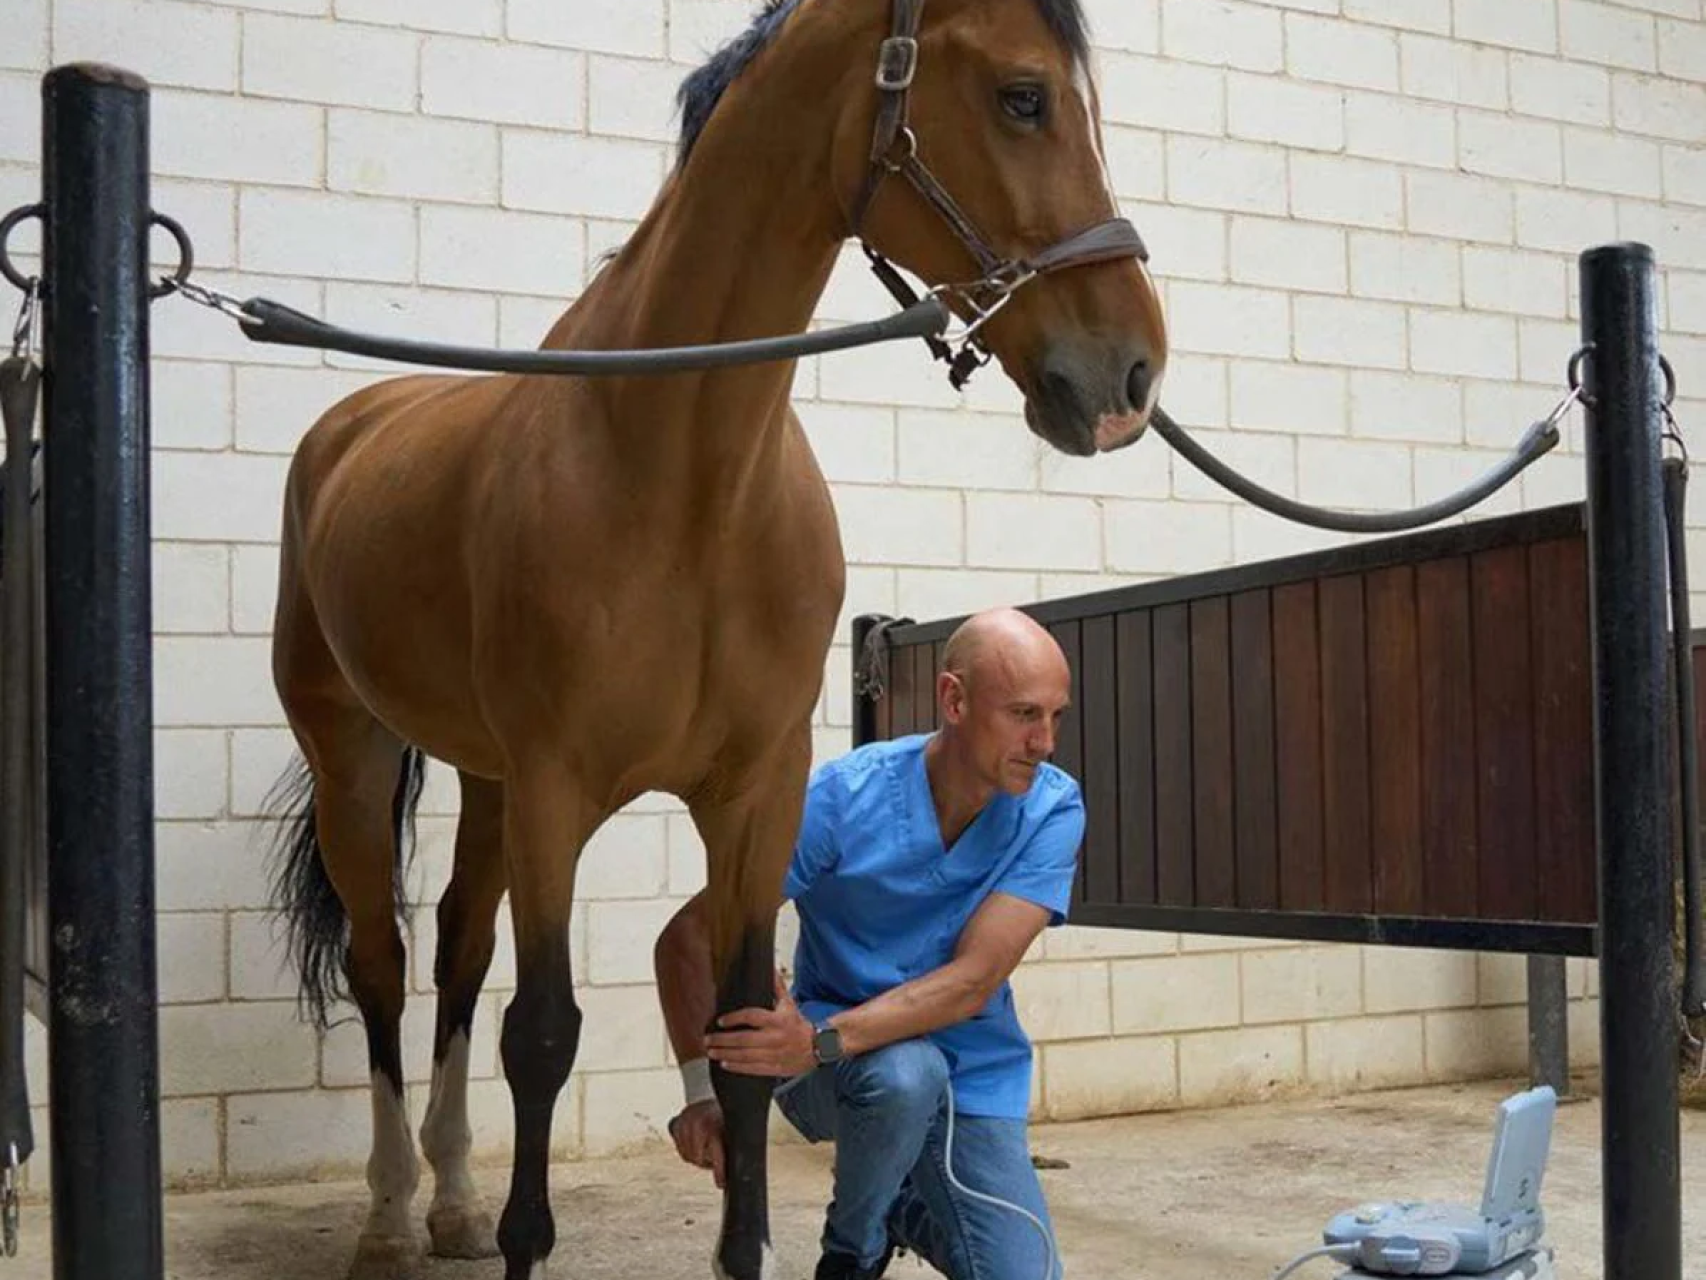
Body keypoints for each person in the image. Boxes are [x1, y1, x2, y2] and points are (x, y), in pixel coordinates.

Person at [653, 606, 1086, 1280]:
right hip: (835, 1070)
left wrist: (818, 1040)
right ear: (955, 698)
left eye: (1057, 716)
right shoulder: (840, 798)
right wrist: (702, 1094)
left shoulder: (1052, 809)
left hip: (966, 1077)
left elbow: (973, 981)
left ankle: (896, 1208)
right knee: (905, 1072)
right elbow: (688, 936)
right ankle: (852, 1252)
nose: (1046, 741)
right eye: (1025, 714)